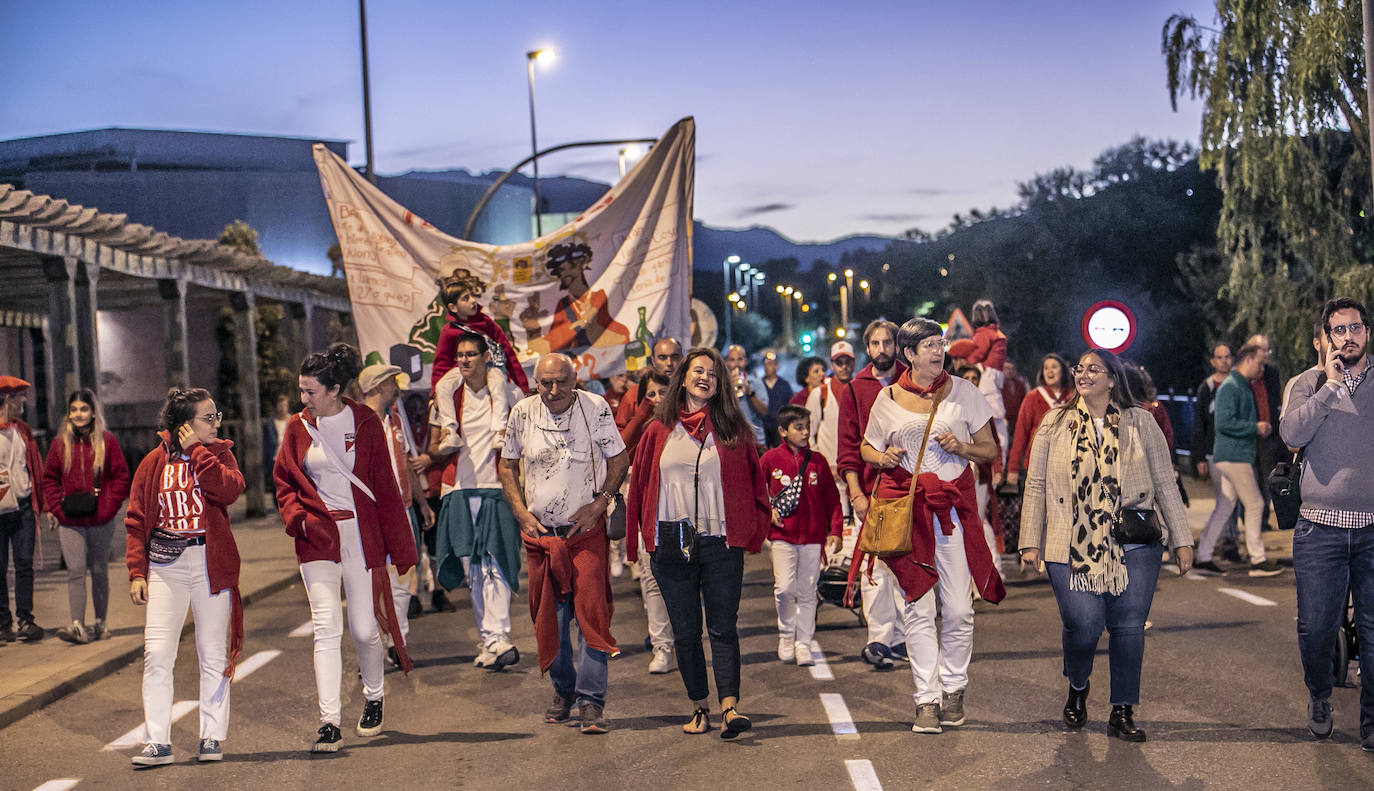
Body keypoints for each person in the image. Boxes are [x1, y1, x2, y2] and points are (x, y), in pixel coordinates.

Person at [1019, 349, 1193, 742]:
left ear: (1113, 379)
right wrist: (1030, 540)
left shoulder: (1142, 422)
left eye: (1093, 369)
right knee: (1083, 625)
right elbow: (1036, 484)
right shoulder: (1054, 423)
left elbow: (1166, 481)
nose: (1083, 374)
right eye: (1079, 369)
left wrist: (1182, 539)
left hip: (1134, 542)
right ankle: (1078, 685)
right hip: (1068, 542)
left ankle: (1122, 710)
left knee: (1128, 627)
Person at [859, 318, 1005, 735]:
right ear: (908, 354)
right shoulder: (887, 398)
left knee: (959, 609)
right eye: (927, 345)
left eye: (940, 343)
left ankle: (954, 685)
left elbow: (989, 449)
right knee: (918, 608)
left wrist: (962, 447)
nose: (938, 351)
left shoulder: (965, 393)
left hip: (953, 514)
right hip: (909, 515)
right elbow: (867, 446)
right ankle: (927, 698)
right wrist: (883, 458)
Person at [274, 344, 417, 753]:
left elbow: (385, 488)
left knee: (362, 628)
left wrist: (400, 547)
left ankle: (374, 695)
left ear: (335, 389)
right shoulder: (298, 427)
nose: (303, 399)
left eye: (311, 391)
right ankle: (329, 721)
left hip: (359, 534)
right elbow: (284, 481)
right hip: (316, 537)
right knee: (326, 628)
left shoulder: (365, 422)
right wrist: (297, 520)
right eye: (301, 390)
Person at [626, 347, 771, 737]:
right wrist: (636, 541)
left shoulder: (733, 430)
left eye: (712, 372)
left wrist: (755, 531)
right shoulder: (658, 430)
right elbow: (639, 486)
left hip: (720, 541)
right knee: (686, 632)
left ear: (720, 383)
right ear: (683, 378)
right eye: (697, 371)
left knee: (723, 627)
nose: (704, 377)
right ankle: (699, 707)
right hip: (671, 542)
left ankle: (729, 708)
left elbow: (755, 484)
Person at [500, 354, 629, 734]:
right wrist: (522, 513)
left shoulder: (596, 408)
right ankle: (564, 690)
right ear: (535, 382)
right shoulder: (522, 413)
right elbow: (507, 465)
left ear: (576, 380)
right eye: (545, 383)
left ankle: (591, 700)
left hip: (584, 534)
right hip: (542, 538)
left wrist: (600, 503)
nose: (553, 390)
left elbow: (619, 459)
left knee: (592, 615)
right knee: (550, 621)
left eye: (561, 382)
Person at [125, 386, 246, 766]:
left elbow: (229, 490)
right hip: (165, 566)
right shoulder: (153, 463)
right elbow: (136, 518)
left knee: (212, 655)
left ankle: (211, 736)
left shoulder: (219, 454)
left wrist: (197, 450)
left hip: (210, 563)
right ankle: (157, 742)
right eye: (207, 418)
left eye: (216, 416)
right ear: (183, 424)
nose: (215, 423)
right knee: (158, 653)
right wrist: (136, 572)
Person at [1279, 297, 1374, 746]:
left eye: (1356, 327)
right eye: (1339, 329)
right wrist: (1330, 387)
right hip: (1320, 528)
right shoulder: (1308, 382)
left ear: (1367, 333)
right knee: (1316, 627)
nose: (1349, 335)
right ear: (1325, 338)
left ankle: (1371, 720)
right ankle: (1320, 695)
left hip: (1373, 527)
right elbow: (1293, 434)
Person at [428, 332, 523, 670]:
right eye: (460, 355)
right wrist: (440, 449)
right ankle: (489, 639)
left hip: (497, 488)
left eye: (471, 354)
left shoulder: (510, 394)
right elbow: (434, 446)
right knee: (473, 569)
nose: (465, 360)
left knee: (495, 563)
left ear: (486, 357)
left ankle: (499, 636)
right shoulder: (448, 395)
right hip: (458, 489)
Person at [836, 319, 910, 670]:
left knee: (908, 563)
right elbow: (847, 447)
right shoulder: (855, 388)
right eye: (876, 343)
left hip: (910, 489)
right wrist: (856, 494)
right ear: (867, 348)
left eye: (888, 342)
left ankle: (903, 639)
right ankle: (880, 638)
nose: (882, 349)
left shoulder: (911, 380)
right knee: (875, 568)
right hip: (870, 491)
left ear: (897, 346)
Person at [613, 338, 682, 675]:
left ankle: (684, 639)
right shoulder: (635, 397)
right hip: (644, 500)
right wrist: (642, 413)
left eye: (674, 357)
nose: (668, 362)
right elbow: (618, 449)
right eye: (662, 357)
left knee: (684, 574)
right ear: (653, 359)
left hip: (682, 502)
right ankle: (662, 646)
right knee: (651, 576)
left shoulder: (695, 398)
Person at [359, 364, 435, 667]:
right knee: (372, 580)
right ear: (378, 386)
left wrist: (423, 503)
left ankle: (397, 641)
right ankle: (375, 645)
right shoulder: (356, 423)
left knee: (404, 575)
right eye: (392, 383)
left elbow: (405, 463)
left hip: (402, 509)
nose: (397, 389)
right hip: (371, 513)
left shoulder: (394, 420)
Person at [43, 388, 131, 644]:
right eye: (73, 410)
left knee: (98, 570)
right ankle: (77, 625)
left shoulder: (107, 441)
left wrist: (106, 509)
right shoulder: (60, 444)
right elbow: (49, 478)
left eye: (83, 409)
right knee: (76, 571)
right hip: (70, 521)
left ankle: (101, 623)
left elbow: (121, 477)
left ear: (93, 412)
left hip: (100, 520)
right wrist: (57, 508)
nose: (78, 414)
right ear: (68, 414)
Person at [1192, 343, 1284, 578]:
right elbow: (1224, 423)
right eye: (1260, 363)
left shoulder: (1238, 385)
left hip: (1232, 455)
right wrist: (1255, 427)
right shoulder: (1232, 387)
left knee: (1225, 506)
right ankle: (1258, 559)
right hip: (1234, 456)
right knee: (1255, 504)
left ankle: (1203, 557)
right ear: (1248, 360)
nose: (1262, 368)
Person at [761, 404, 842, 667]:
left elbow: (833, 500)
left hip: (813, 538)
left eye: (807, 426)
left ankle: (803, 643)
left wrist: (837, 530)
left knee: (807, 591)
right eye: (799, 427)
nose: (806, 432)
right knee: (784, 589)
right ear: (783, 431)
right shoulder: (770, 459)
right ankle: (786, 635)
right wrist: (766, 511)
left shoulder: (817, 461)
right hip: (781, 535)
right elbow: (752, 491)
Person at [0, 376, 51, 643]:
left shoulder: (23, 431)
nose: (24, 401)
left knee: (23, 564)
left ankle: (25, 619)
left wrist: (45, 506)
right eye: (20, 396)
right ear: (8, 400)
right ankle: (3, 623)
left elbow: (35, 469)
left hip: (22, 507)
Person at [1005, 354, 1073, 487]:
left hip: (1066, 464)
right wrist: (1013, 467)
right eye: (1046, 368)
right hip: (1037, 464)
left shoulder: (1072, 398)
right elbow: (1021, 432)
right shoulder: (1033, 397)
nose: (1050, 371)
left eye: (1054, 367)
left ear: (1063, 371)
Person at [1246, 333, 1285, 531]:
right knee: (1250, 479)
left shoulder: (1272, 373)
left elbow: (1275, 400)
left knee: (1267, 477)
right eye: (1263, 350)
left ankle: (1262, 519)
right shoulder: (1243, 376)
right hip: (1248, 435)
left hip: (1268, 434)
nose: (1266, 354)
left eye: (1267, 350)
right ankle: (1251, 519)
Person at [724, 344, 768, 445]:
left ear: (745, 361)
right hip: (732, 440)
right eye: (732, 360)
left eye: (740, 359)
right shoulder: (721, 384)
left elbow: (764, 412)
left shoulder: (756, 383)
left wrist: (750, 393)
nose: (736, 364)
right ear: (726, 362)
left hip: (755, 441)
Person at [760, 351, 794, 448]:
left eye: (770, 364)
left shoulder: (784, 385)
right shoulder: (759, 384)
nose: (767, 367)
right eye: (765, 364)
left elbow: (789, 404)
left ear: (776, 366)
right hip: (764, 426)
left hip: (779, 426)